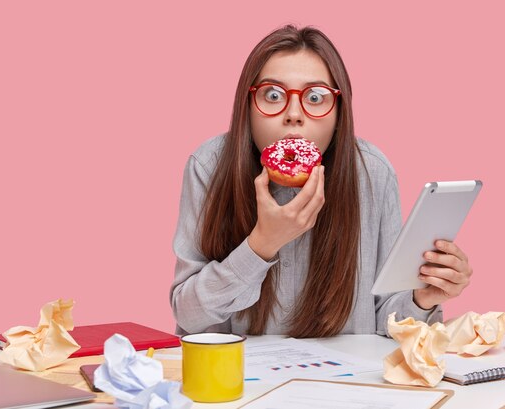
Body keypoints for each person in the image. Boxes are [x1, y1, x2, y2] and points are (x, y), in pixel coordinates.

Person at [170, 25, 473, 338]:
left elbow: (385, 320)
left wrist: (424, 297)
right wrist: (261, 244)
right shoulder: (209, 166)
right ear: (246, 107)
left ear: (339, 111)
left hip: (346, 381)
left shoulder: (371, 171)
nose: (293, 114)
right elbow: (189, 317)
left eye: (315, 97)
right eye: (273, 95)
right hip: (238, 380)